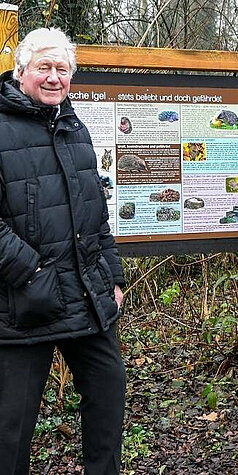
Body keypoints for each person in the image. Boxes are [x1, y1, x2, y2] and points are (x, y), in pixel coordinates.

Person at [0, 28, 126, 474]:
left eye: (62, 69)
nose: (54, 77)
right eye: (44, 67)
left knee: (108, 404)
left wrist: (112, 273)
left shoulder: (75, 127)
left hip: (87, 296)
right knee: (10, 430)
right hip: (20, 305)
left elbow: (95, 209)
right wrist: (32, 274)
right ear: (21, 71)